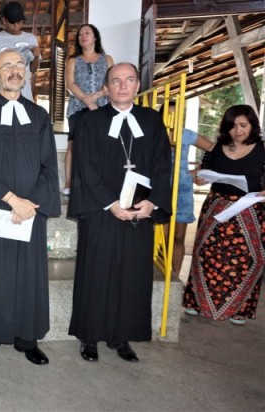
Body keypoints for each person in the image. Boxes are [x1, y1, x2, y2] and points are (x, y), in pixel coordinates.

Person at [0, 50, 60, 368]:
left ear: (27, 74)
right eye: (7, 66)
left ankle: (27, 338)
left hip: (30, 210)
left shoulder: (40, 116)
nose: (15, 70)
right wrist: (11, 199)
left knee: (28, 275)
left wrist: (29, 205)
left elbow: (49, 166)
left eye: (20, 65)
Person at [67, 63, 172, 363]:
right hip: (102, 211)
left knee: (131, 275)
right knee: (97, 273)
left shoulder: (152, 121)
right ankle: (90, 335)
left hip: (140, 211)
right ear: (107, 87)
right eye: (116, 81)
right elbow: (84, 167)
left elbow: (163, 165)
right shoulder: (90, 122)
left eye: (129, 80)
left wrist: (152, 202)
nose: (123, 86)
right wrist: (110, 203)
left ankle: (121, 335)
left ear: (138, 85)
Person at [183, 105, 265, 326]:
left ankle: (241, 309)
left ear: (252, 126)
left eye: (243, 126)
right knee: (206, 255)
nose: (237, 130)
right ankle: (196, 302)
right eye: (232, 126)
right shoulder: (217, 148)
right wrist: (200, 177)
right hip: (216, 208)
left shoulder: (262, 149)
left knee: (248, 260)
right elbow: (203, 170)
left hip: (249, 210)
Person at [62, 24, 113, 195]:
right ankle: (69, 184)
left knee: (102, 145)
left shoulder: (107, 59)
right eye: (80, 34)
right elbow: (70, 84)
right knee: (73, 145)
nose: (83, 36)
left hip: (103, 107)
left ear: (95, 37)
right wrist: (87, 101)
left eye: (87, 33)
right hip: (77, 108)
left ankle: (101, 181)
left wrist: (96, 97)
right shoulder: (72, 60)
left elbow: (111, 83)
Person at [168, 127, 213, 277]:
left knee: (178, 237)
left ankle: (175, 277)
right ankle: (161, 274)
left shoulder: (185, 134)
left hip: (183, 194)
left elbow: (214, 149)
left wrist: (196, 172)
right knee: (163, 238)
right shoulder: (154, 132)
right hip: (159, 191)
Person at [0, 1, 40, 102]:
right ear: (3, 20)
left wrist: (36, 57)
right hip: (2, 96)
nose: (16, 25)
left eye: (20, 21)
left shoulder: (31, 39)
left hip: (25, 95)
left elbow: (33, 70)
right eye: (12, 21)